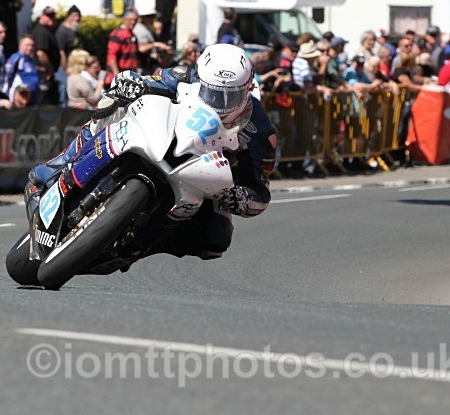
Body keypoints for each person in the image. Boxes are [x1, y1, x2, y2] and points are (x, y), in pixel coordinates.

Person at [25, 43, 276, 269]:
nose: (221, 103)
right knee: (112, 105)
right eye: (212, 92)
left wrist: (238, 197)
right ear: (199, 76)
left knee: (216, 240)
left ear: (249, 88)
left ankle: (139, 247)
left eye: (230, 96)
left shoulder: (261, 132)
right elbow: (150, 81)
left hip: (202, 179)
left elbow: (260, 194)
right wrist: (132, 84)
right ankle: (59, 165)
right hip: (162, 139)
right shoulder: (184, 75)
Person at [31, 6, 61, 105]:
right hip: (44, 74)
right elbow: (41, 53)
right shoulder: (41, 32)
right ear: (41, 16)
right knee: (46, 103)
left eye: (52, 16)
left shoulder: (47, 30)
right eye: (48, 16)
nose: (51, 18)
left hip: (47, 74)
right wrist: (50, 69)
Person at [4, 35, 41, 104]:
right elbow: (8, 78)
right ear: (20, 46)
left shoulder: (32, 60)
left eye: (32, 45)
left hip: (33, 100)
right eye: (27, 45)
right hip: (21, 101)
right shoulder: (16, 58)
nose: (30, 48)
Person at [134, 9, 172, 74]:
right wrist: (156, 45)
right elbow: (141, 48)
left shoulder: (146, 29)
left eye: (153, 16)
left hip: (146, 64)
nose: (151, 19)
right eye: (148, 16)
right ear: (143, 17)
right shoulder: (140, 30)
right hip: (140, 66)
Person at [105, 9, 139, 82]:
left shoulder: (133, 35)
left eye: (135, 20)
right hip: (120, 76)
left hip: (130, 75)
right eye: (130, 20)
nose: (133, 22)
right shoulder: (118, 34)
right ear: (124, 20)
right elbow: (112, 56)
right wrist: (117, 76)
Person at [56, 5, 84, 70]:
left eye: (78, 16)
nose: (77, 18)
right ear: (68, 17)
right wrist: (65, 69)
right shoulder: (62, 32)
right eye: (74, 16)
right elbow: (62, 53)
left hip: (77, 65)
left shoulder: (75, 29)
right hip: (68, 66)